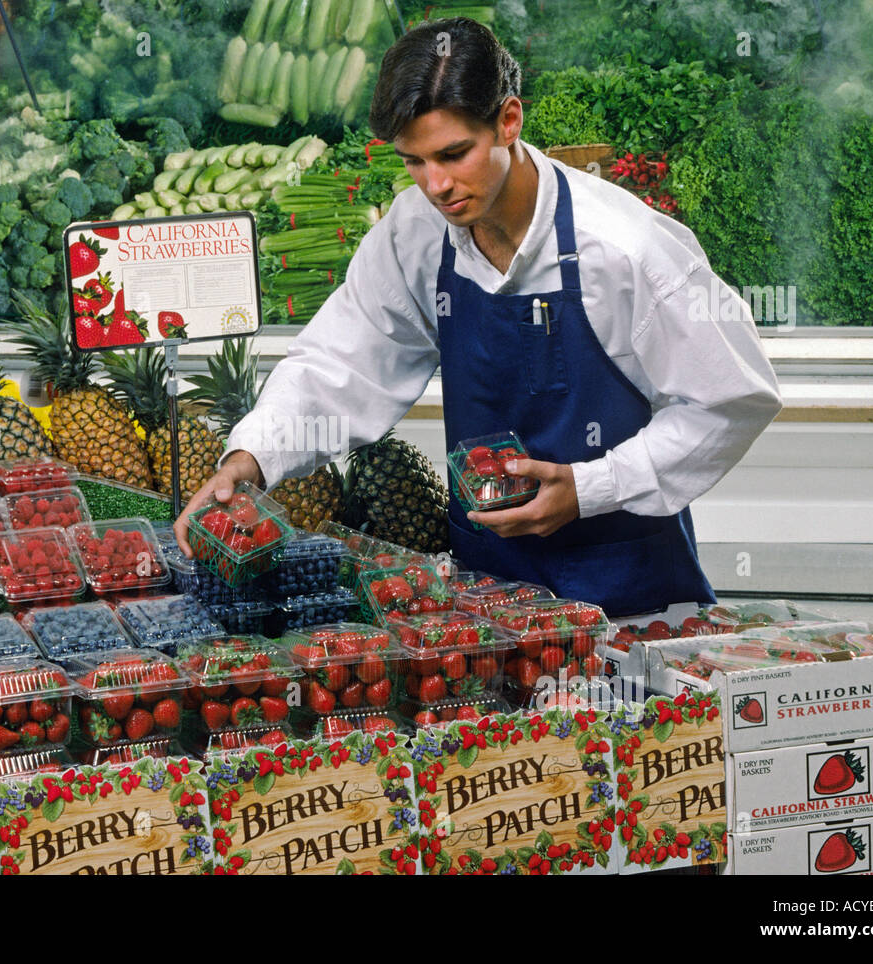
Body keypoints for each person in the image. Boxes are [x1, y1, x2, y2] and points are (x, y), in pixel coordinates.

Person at [174, 18, 783, 617]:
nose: (435, 185)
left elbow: (733, 399)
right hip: (486, 597)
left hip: (628, 591)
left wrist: (594, 486)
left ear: (508, 121)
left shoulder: (625, 248)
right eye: (413, 162)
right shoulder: (412, 235)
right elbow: (340, 365)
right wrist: (251, 458)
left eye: (454, 153)